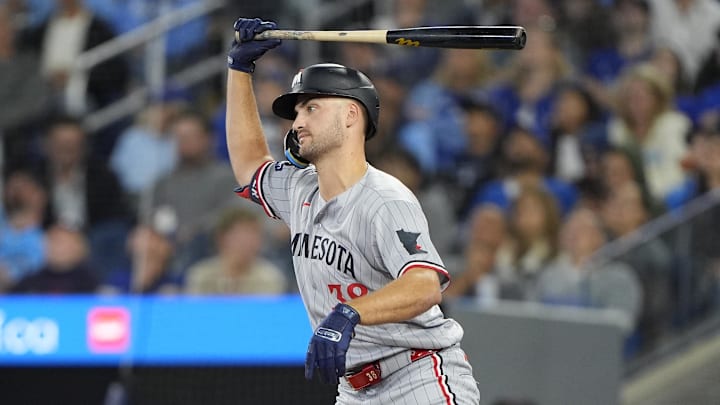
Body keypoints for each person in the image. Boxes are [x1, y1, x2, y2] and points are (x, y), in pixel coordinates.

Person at [225, 18, 480, 404]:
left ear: (351, 115)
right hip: (354, 389)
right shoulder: (300, 189)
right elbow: (249, 164)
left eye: (311, 108)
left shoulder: (385, 199)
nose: (298, 123)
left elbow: (425, 285)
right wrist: (239, 71)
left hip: (417, 374)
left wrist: (350, 313)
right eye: (297, 112)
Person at [184, 207, 287, 295]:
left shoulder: (270, 278)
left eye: (252, 235)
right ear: (221, 237)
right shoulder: (201, 276)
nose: (247, 243)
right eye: (240, 235)